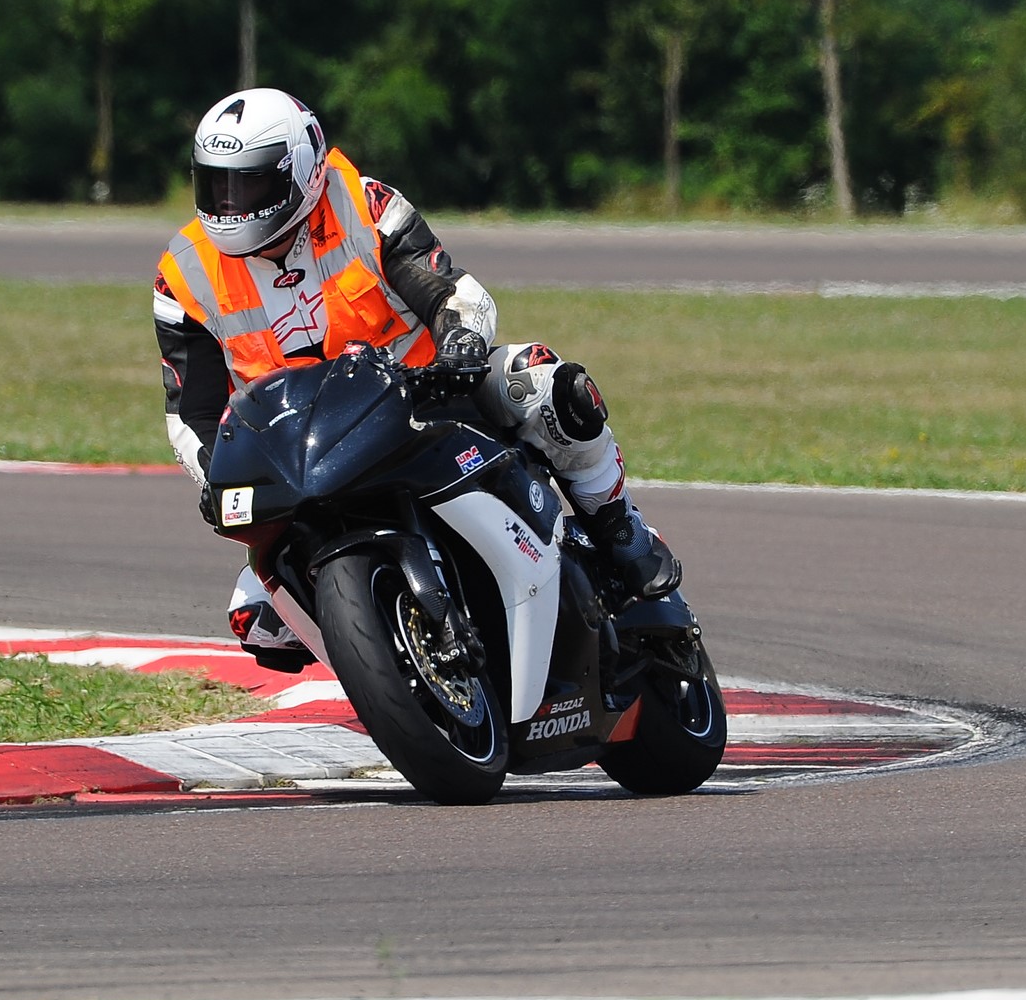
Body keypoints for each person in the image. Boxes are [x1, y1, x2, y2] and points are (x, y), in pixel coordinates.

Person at [154, 87, 681, 672]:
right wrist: (216, 476)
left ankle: (621, 529)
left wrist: (460, 341)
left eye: (248, 185)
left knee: (544, 384)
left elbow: (450, 290)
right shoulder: (183, 275)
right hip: (304, 455)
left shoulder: (364, 206)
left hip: (427, 398)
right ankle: (392, 669)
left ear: (301, 169)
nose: (229, 205)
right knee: (258, 619)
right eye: (216, 185)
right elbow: (191, 412)